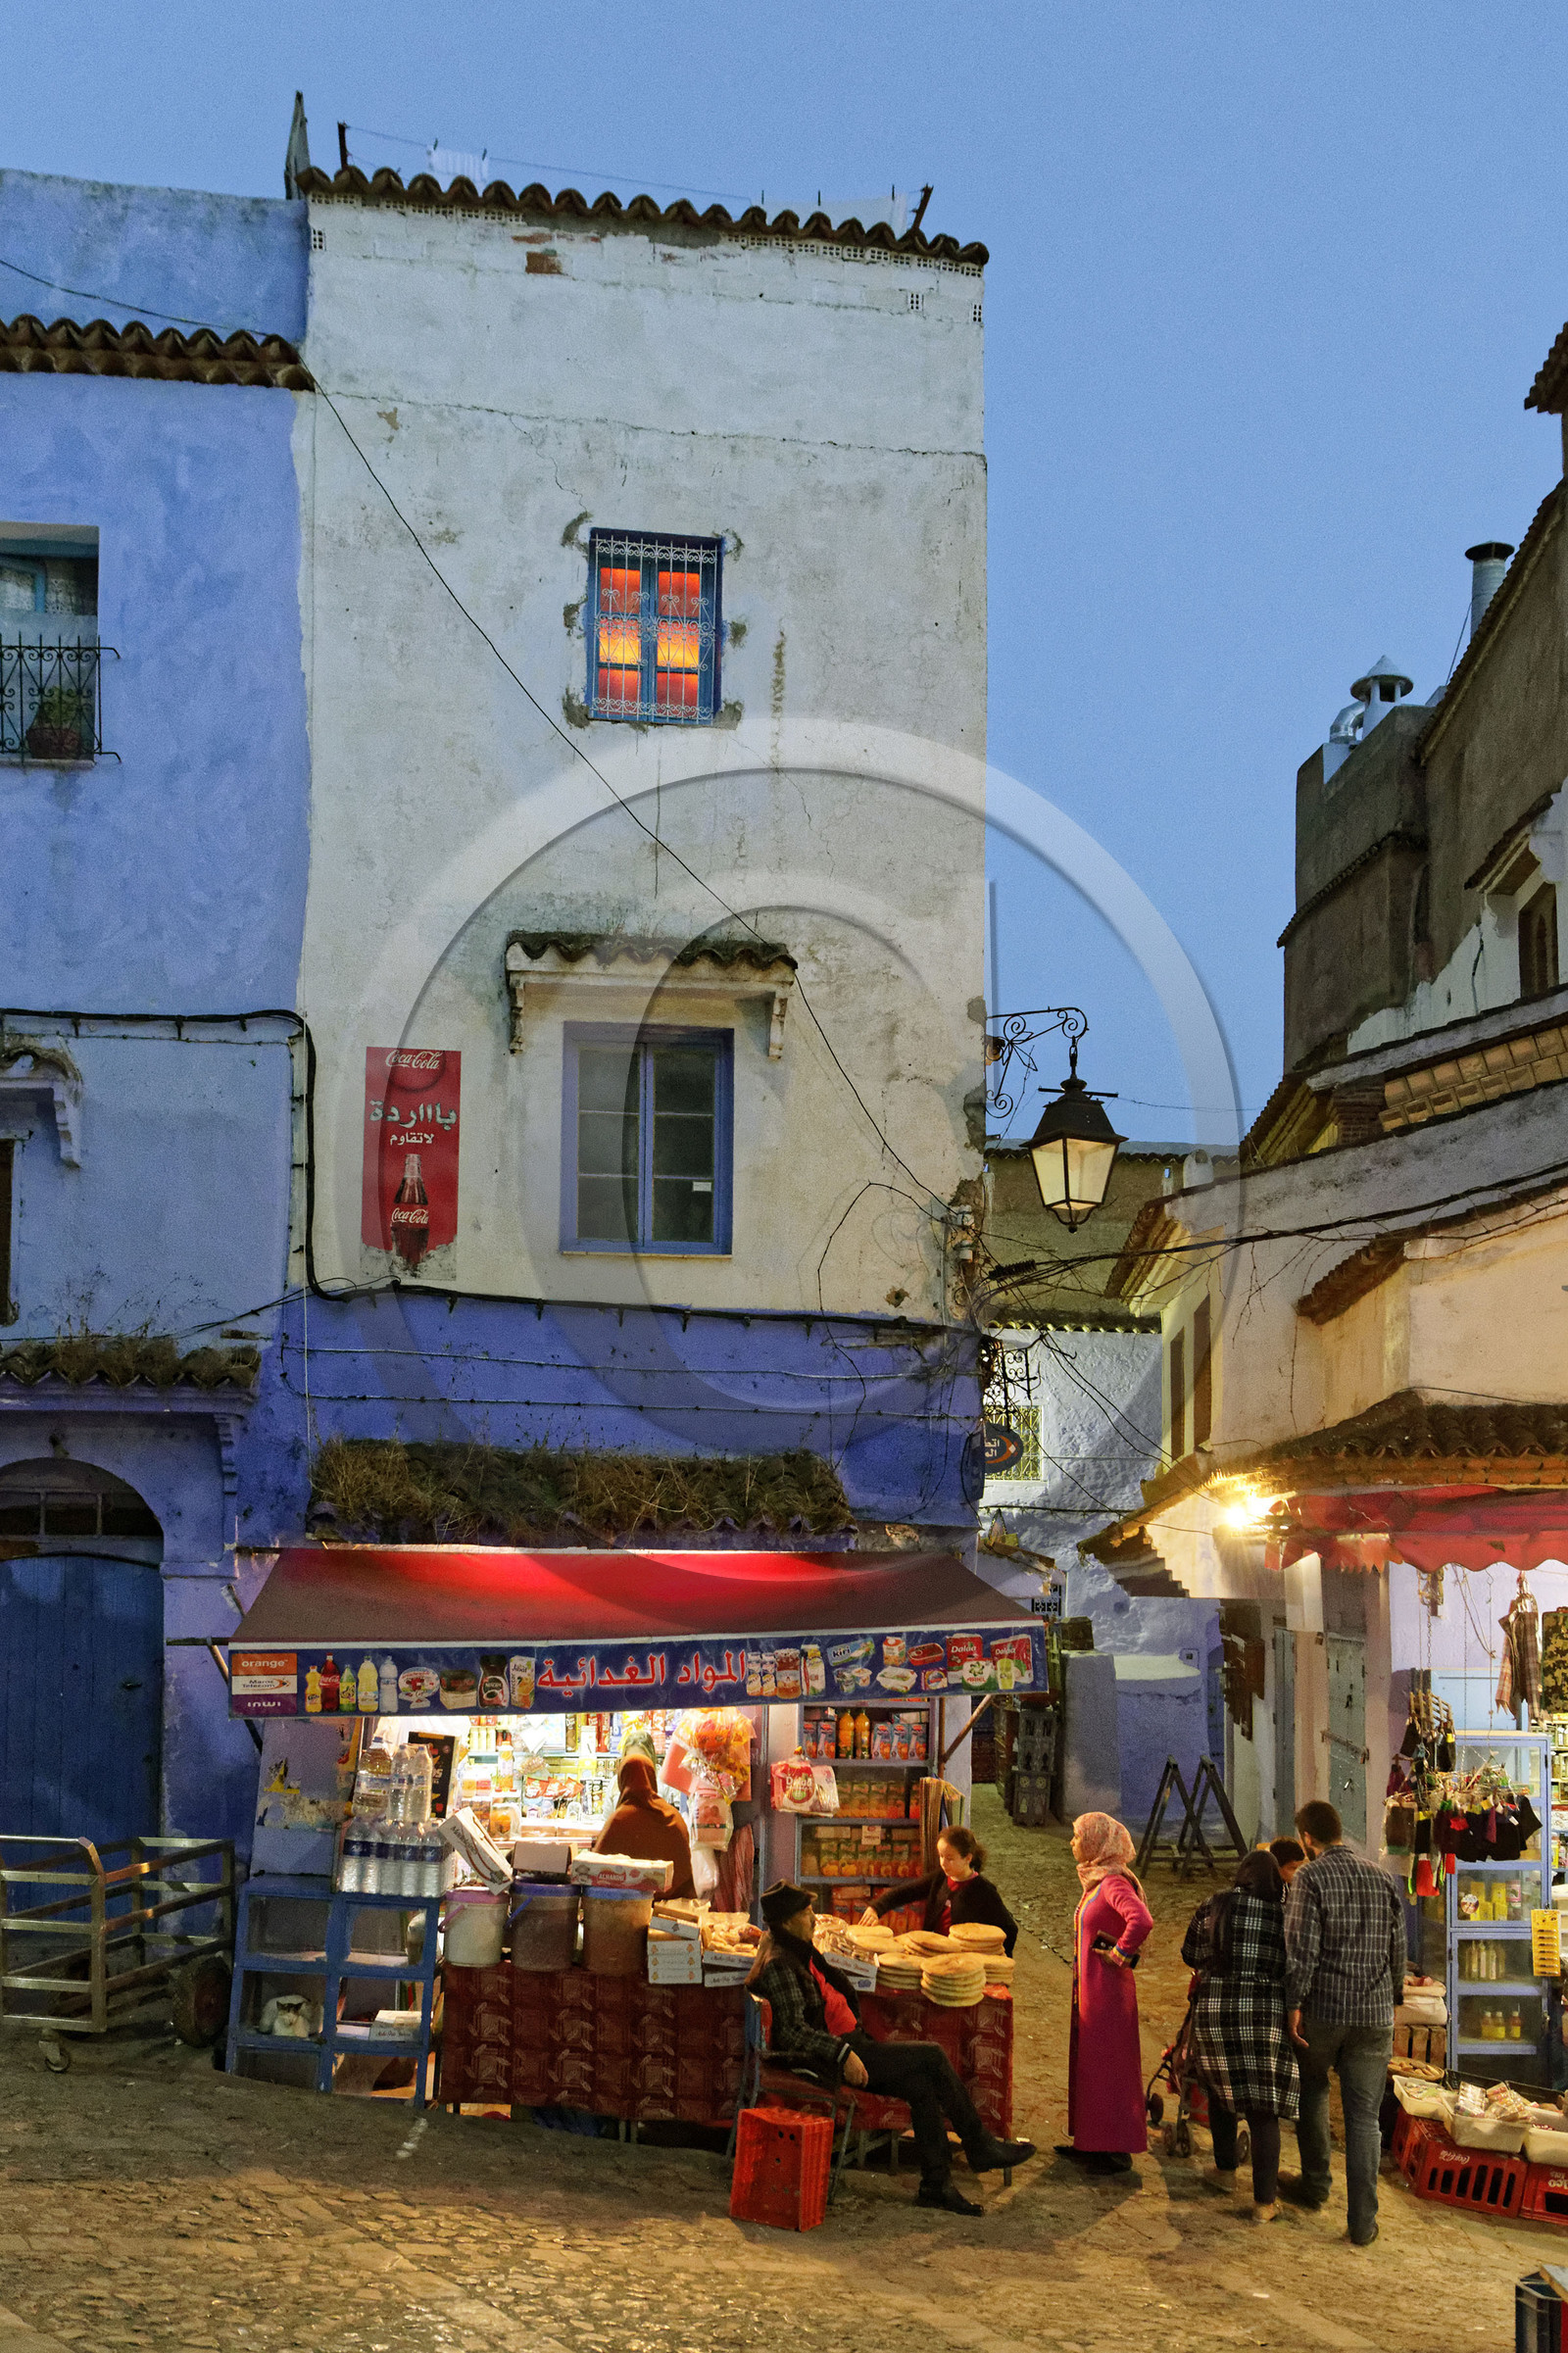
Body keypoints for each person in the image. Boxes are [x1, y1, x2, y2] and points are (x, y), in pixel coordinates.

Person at [750, 1881, 1036, 2215]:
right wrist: (844, 2053)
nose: (814, 1919)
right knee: (931, 2055)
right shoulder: (781, 1962)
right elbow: (792, 2032)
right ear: (786, 1922)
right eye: (806, 1913)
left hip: (849, 2043)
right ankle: (979, 2146)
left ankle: (936, 2185)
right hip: (828, 2057)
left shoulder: (798, 1946)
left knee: (921, 2085)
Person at [1280, 1798, 1406, 2248]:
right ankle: (1362, 2223)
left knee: (1313, 2091)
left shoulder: (1309, 1879)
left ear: (1307, 1839)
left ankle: (1315, 2185)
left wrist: (1293, 2003)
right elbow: (1398, 1947)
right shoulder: (1380, 1877)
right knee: (1364, 2119)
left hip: (1325, 2013)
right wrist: (1393, 1998)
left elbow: (1301, 1950)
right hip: (1374, 2018)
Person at [1180, 1850, 1298, 2222]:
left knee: (1219, 2091)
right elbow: (1292, 1965)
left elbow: (1190, 1953)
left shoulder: (1215, 1904)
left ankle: (1225, 2172)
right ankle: (1264, 2204)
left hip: (1218, 2009)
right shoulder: (1286, 1915)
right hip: (1266, 2013)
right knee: (1264, 2110)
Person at [1058, 1811, 1154, 2177]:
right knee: (1090, 2066)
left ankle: (1114, 2148)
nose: (1072, 1843)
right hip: (1091, 1987)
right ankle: (1090, 2141)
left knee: (1107, 2069)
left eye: (1078, 1836)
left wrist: (1119, 1954)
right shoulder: (1096, 1881)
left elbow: (1141, 1920)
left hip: (1108, 1992)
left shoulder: (1113, 1882)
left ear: (1098, 1842)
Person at [860, 1825, 1019, 1953]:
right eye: (941, 1856)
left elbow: (1009, 1928)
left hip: (961, 1959)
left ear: (968, 1858)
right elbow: (906, 1892)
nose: (943, 1863)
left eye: (950, 1858)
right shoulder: (940, 1878)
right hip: (932, 1950)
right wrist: (876, 1908)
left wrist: (998, 1957)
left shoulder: (984, 1891)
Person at [593, 1754, 696, 1899]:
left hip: (626, 1907)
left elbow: (596, 1868)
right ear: (652, 1779)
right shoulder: (672, 1816)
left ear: (622, 1781)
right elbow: (685, 1873)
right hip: (672, 1907)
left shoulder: (619, 1820)